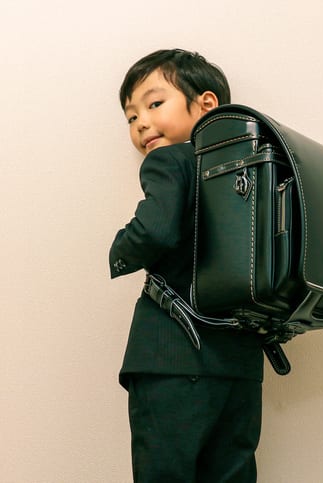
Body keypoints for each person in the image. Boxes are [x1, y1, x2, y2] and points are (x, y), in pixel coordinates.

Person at [109, 49, 264, 482]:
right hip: (240, 363)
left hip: (170, 358)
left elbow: (154, 232)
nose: (141, 123)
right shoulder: (251, 174)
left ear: (206, 105)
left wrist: (118, 250)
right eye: (131, 117)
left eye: (155, 103)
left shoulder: (171, 160)